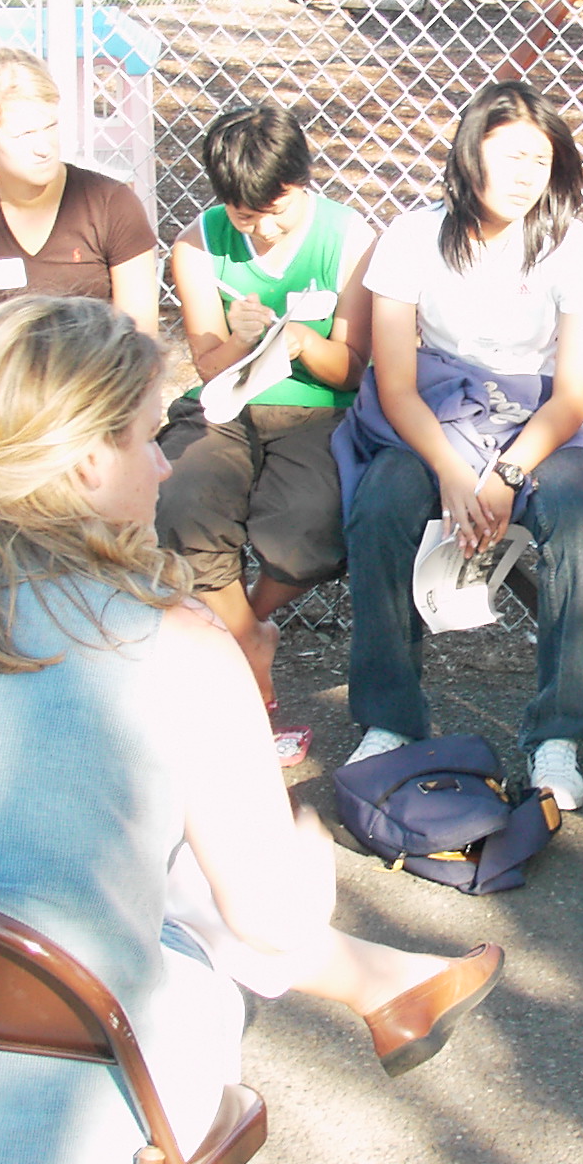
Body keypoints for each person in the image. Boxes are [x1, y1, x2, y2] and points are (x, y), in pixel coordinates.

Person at [0, 296, 502, 1164]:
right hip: (55, 1128)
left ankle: (385, 984)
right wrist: (308, 863)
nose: (166, 464)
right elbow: (270, 921)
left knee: (133, 854)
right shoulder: (177, 643)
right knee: (187, 884)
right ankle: (381, 982)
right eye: (148, 438)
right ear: (85, 460)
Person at [334, 81, 583, 811]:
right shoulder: (412, 237)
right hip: (438, 413)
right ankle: (391, 721)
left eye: (541, 160)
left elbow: (572, 396)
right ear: (470, 154)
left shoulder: (571, 247)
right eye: (511, 155)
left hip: (538, 419)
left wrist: (505, 474)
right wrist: (454, 473)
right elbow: (396, 383)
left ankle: (558, 734)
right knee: (383, 501)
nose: (527, 175)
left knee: (577, 506)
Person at [159, 102, 373, 758]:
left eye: (278, 210)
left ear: (302, 182)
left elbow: (352, 366)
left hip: (318, 406)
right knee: (180, 499)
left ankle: (242, 625)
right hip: (227, 403)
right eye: (245, 216)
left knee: (312, 520)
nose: (265, 228)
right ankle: (247, 641)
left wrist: (301, 340)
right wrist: (241, 340)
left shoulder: (350, 238)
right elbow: (207, 363)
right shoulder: (197, 244)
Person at [0, 46, 159, 357]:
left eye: (50, 127)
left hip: (103, 378)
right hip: (11, 381)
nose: (44, 148)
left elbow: (140, 343)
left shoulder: (111, 205)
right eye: (23, 135)